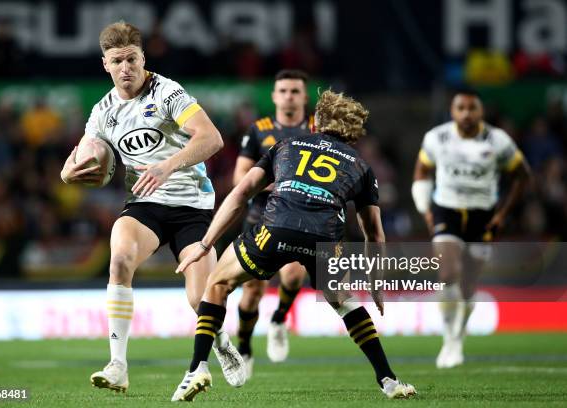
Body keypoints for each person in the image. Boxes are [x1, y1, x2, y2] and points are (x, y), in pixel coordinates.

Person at [171, 90, 416, 402]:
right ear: (353, 132)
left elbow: (242, 191)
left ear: (315, 123)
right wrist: (376, 282)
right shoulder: (362, 167)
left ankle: (198, 368)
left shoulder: (286, 145)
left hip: (275, 228)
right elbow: (374, 233)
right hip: (324, 239)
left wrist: (205, 244)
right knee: (345, 303)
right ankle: (389, 380)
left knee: (217, 283)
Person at [59, 21, 246, 393]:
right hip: (144, 206)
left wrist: (167, 166)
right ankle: (117, 365)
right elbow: (76, 159)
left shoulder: (166, 92)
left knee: (199, 299)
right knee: (119, 259)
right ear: (105, 65)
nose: (126, 67)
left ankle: (222, 341)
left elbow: (212, 138)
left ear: (143, 58)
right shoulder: (103, 112)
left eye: (132, 58)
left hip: (191, 206)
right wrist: (70, 173)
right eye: (118, 61)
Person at [411, 88, 531, 368]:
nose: (466, 114)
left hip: (482, 215)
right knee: (448, 273)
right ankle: (449, 340)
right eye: (460, 108)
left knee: (468, 287)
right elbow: (422, 171)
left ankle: (459, 333)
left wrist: (502, 213)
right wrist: (425, 208)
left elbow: (522, 176)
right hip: (447, 210)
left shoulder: (498, 141)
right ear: (452, 112)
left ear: (481, 111)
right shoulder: (436, 138)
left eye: (472, 108)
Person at [234, 69, 311, 377]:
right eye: (284, 91)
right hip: (261, 216)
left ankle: (279, 318)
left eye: (295, 91)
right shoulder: (259, 130)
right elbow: (240, 177)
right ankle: (244, 346)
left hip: (301, 216)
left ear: (305, 96)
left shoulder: (319, 130)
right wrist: (277, 184)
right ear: (274, 96)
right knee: (252, 290)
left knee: (293, 277)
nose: (289, 96)